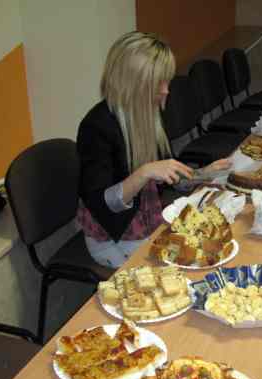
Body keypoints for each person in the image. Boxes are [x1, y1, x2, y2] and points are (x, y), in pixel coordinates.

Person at [76, 32, 230, 268]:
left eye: (166, 81)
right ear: (134, 83)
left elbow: (170, 176)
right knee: (183, 268)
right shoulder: (96, 127)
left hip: (146, 222)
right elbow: (103, 204)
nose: (166, 90)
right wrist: (144, 172)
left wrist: (203, 173)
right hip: (111, 237)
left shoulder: (148, 113)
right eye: (159, 83)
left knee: (207, 248)